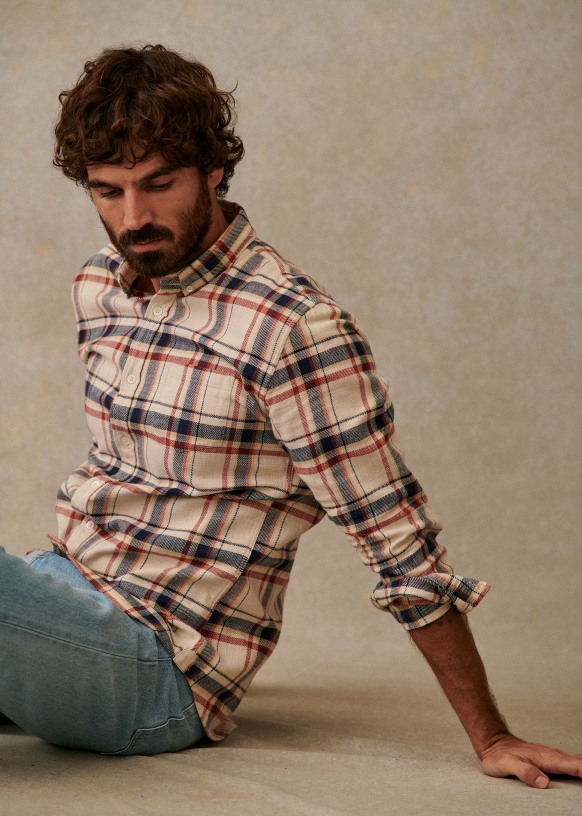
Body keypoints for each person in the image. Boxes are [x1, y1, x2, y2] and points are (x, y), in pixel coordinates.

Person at [0, 44, 579, 785]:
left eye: (159, 183)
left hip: (155, 670)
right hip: (57, 595)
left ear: (213, 169)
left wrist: (491, 734)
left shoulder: (292, 328)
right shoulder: (100, 286)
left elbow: (396, 541)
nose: (133, 217)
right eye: (108, 191)